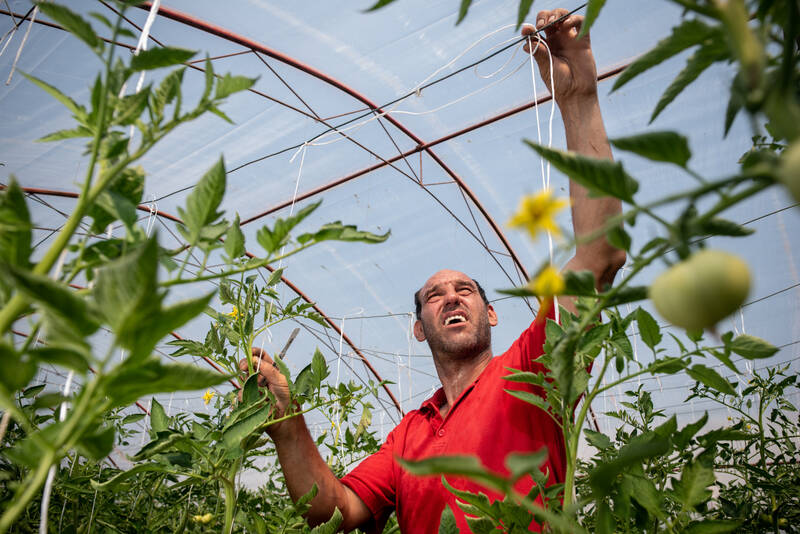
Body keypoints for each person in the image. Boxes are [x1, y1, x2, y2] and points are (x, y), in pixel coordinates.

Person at [240, 8, 624, 533]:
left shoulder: (533, 369)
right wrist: (285, 421)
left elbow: (600, 256)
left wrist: (579, 102)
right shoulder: (409, 436)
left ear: (490, 313)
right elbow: (334, 510)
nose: (451, 296)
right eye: (434, 295)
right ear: (418, 328)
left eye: (464, 289)